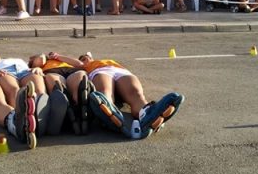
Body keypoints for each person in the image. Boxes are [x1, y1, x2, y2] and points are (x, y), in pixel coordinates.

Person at [51, 52, 184, 140]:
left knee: (137, 94)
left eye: (87, 57)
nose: (86, 58)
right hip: (100, 72)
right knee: (105, 93)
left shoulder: (106, 60)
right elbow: (77, 64)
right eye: (83, 58)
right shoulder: (86, 67)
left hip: (121, 72)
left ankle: (148, 114)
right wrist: (58, 56)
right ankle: (112, 116)